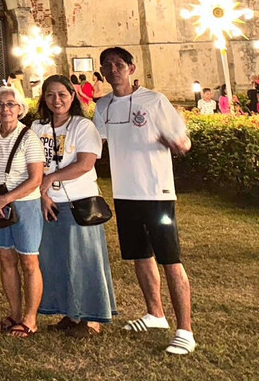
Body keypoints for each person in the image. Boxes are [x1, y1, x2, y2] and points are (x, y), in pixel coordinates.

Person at [94, 47, 195, 355]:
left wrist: (179, 144)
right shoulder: (104, 107)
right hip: (125, 193)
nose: (114, 70)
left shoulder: (155, 101)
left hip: (156, 193)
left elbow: (183, 141)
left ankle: (185, 331)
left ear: (132, 68)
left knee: (170, 260)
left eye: (119, 65)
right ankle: (155, 314)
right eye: (108, 66)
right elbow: (94, 145)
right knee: (140, 256)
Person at [32, 74, 116, 337]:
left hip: (78, 202)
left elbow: (85, 163)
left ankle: (92, 319)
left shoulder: (82, 126)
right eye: (50, 95)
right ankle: (70, 312)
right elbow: (31, 164)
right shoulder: (37, 127)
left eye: (62, 94)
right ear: (43, 99)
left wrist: (51, 178)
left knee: (85, 260)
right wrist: (43, 194)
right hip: (49, 204)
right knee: (57, 261)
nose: (57, 100)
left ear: (72, 96)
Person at [0, 86, 44, 337]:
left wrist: (6, 198)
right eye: (0, 105)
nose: (5, 109)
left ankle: (30, 319)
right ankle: (15, 313)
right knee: (6, 260)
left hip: (24, 204)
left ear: (20, 109)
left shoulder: (29, 137)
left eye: (11, 104)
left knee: (29, 261)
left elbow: (35, 177)